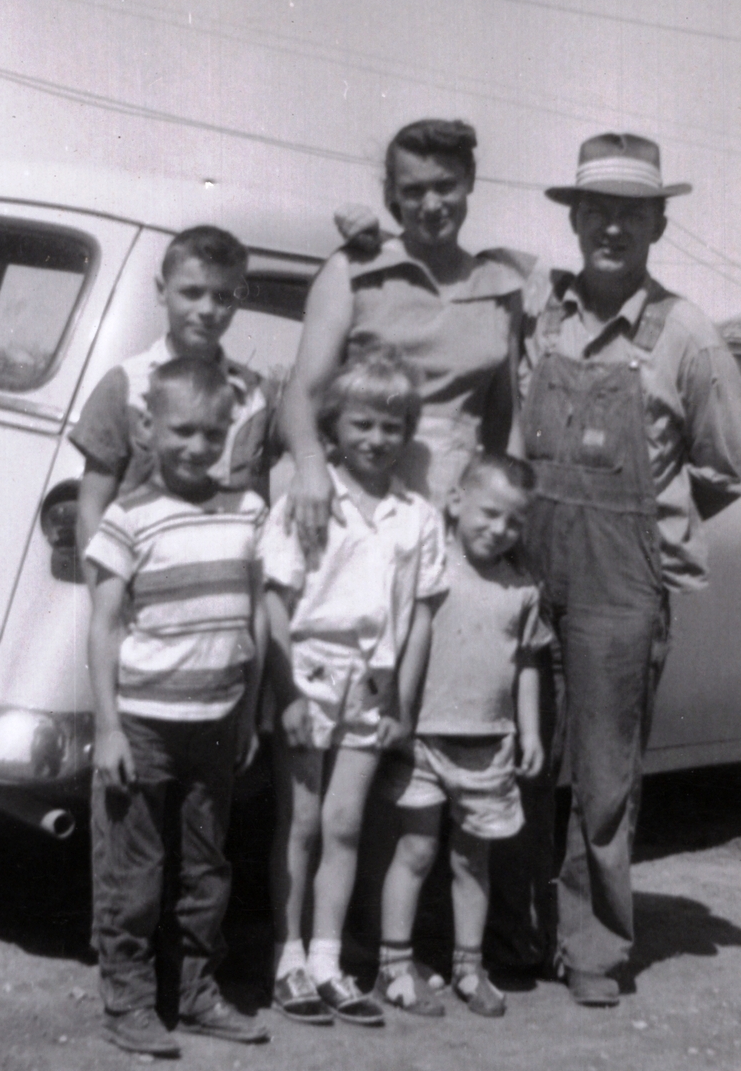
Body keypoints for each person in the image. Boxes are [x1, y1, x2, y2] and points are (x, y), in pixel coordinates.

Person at [519, 133, 741, 1006]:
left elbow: (732, 467)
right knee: (518, 759)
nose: (612, 228)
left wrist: (654, 531)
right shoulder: (540, 312)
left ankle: (592, 947)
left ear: (659, 224)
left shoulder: (688, 335)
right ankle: (514, 932)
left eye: (632, 213)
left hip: (622, 587)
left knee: (604, 775)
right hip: (528, 571)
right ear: (574, 219)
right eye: (597, 210)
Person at [85, 357, 271, 1055]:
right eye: (182, 431)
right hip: (143, 724)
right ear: (148, 427)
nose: (197, 446)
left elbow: (254, 616)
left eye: (213, 433)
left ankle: (195, 992)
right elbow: (104, 626)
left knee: (206, 867)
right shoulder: (127, 519)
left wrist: (249, 713)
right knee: (131, 873)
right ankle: (128, 1001)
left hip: (217, 723)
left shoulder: (247, 511)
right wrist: (108, 728)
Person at [260, 343, 448, 1026]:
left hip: (374, 682)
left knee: (345, 824)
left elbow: (419, 619)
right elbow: (274, 600)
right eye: (362, 423)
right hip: (308, 671)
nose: (375, 438)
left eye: (391, 426)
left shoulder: (417, 515)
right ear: (334, 425)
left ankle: (327, 961)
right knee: (301, 821)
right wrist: (284, 693)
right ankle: (286, 959)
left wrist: (402, 701)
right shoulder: (309, 500)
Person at [281, 118, 534, 552]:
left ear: (470, 180)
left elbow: (504, 423)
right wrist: (309, 467)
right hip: (362, 495)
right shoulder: (352, 271)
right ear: (392, 194)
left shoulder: (500, 287)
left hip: (459, 510)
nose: (431, 205)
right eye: (414, 191)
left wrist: (512, 519)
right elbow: (302, 393)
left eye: (445, 186)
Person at [378, 452, 551, 1019]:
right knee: (416, 848)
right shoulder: (430, 571)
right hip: (423, 740)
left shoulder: (521, 588)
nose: (499, 529)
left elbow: (527, 663)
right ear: (455, 502)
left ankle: (468, 968)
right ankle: (394, 966)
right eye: (489, 513)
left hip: (488, 745)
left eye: (514, 522)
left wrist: (530, 732)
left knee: (472, 860)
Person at [72, 223, 280, 581]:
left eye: (223, 297)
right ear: (162, 291)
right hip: (143, 591)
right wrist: (107, 598)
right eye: (192, 293)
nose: (207, 309)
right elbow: (91, 508)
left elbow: (258, 512)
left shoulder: (256, 396)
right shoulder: (126, 385)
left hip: (224, 591)